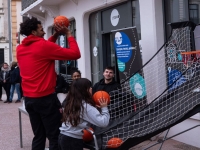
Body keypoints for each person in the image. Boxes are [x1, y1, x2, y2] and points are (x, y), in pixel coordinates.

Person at [16, 17, 81, 150]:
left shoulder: (20, 48)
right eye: (41, 29)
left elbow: (42, 47)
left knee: (39, 136)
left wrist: (56, 35)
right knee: (55, 136)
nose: (44, 32)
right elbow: (76, 53)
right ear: (33, 32)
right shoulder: (44, 46)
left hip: (29, 99)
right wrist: (69, 34)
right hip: (45, 100)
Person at [59, 78, 110, 150]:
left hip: (63, 137)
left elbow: (81, 117)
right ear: (85, 90)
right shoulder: (85, 107)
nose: (91, 89)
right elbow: (103, 122)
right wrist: (104, 108)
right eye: (89, 87)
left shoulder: (71, 102)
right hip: (72, 140)